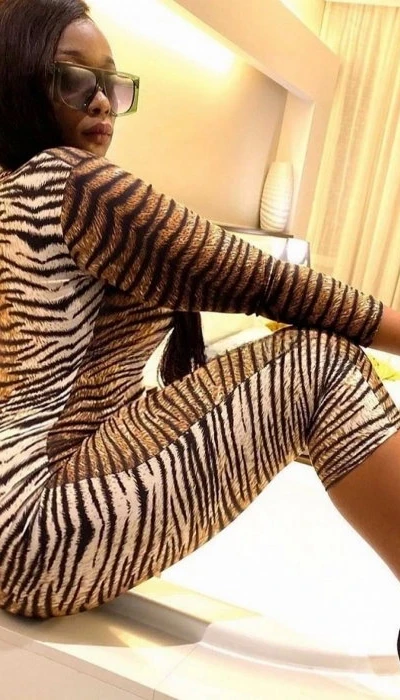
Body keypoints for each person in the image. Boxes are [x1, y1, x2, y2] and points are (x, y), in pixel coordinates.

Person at [0, 0, 400, 620]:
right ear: (23, 81)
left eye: (112, 83)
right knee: (322, 369)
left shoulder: (16, 188)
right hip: (36, 530)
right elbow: (269, 284)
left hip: (25, 508)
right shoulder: (74, 185)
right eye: (76, 79)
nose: (102, 101)